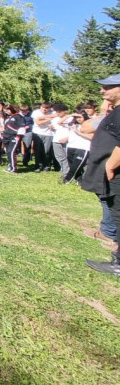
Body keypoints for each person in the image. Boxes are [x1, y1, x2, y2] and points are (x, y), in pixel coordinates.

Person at [82, 74, 120, 276]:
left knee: (119, 213)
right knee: (115, 210)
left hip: (116, 173)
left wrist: (111, 166)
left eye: (107, 87)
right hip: (111, 172)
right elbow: (87, 128)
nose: (102, 91)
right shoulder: (114, 112)